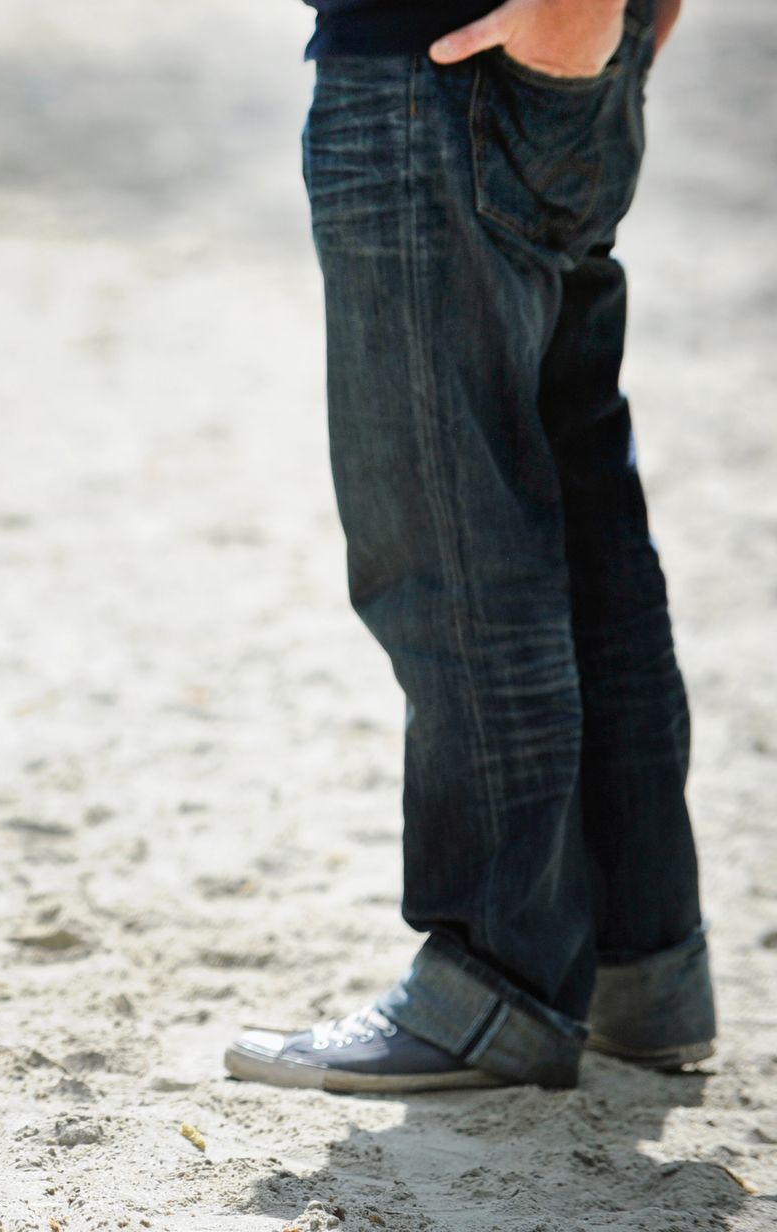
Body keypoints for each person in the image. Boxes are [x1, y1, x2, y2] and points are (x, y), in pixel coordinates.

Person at [227, 0, 714, 1092]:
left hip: (445, 64)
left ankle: (498, 979)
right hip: (516, 57)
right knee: (577, 516)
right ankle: (637, 962)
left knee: (448, 541)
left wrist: (579, 15)